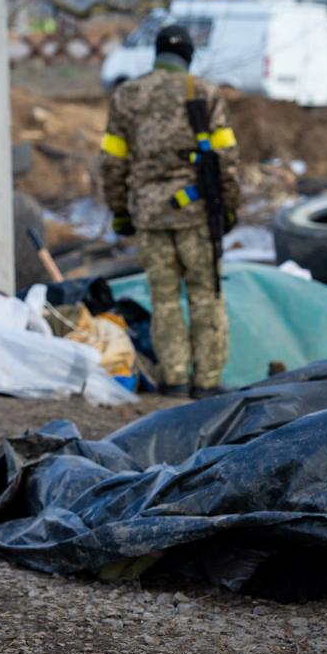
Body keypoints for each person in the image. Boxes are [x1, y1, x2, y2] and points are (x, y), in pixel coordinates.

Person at [100, 24, 240, 399]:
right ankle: (207, 382)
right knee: (205, 296)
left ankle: (174, 380)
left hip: (148, 215)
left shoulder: (127, 95)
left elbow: (112, 162)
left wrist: (120, 212)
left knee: (163, 300)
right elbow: (226, 158)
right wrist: (228, 206)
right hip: (197, 213)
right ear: (189, 55)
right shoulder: (204, 93)